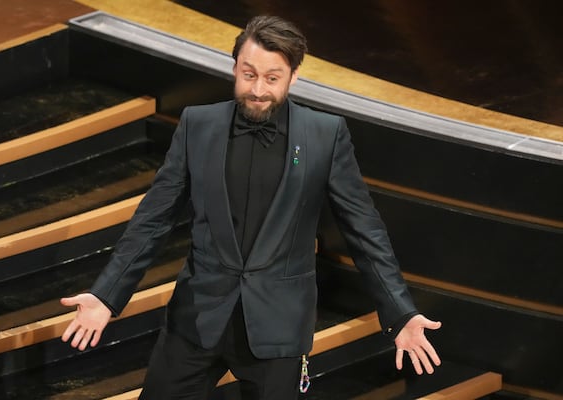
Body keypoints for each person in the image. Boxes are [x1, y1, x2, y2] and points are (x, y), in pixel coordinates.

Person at [61, 15, 441, 400]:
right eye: (249, 74)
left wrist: (400, 312)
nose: (258, 89)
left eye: (272, 78)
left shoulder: (325, 136)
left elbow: (365, 231)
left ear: (294, 77)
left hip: (278, 330)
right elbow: (153, 219)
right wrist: (107, 295)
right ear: (235, 68)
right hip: (197, 321)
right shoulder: (198, 125)